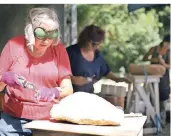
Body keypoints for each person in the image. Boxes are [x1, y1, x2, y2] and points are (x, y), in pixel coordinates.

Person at [0, 8, 73, 136]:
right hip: (13, 120)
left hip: (49, 121)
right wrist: (5, 78)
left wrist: (55, 92)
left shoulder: (59, 50)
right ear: (29, 30)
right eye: (41, 34)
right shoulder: (13, 45)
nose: (46, 40)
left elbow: (68, 89)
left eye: (51, 34)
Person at [66, 24, 131, 93]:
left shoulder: (97, 55)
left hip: (89, 95)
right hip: (70, 96)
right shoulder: (70, 53)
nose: (97, 47)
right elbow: (57, 74)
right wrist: (72, 79)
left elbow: (105, 71)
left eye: (99, 44)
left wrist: (118, 79)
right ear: (87, 40)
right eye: (95, 44)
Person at [143, 35, 170, 125]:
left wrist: (162, 63)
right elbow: (144, 58)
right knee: (151, 97)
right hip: (152, 76)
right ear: (165, 42)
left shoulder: (169, 52)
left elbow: (169, 66)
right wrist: (152, 58)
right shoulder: (154, 49)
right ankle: (150, 120)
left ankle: (161, 122)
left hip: (163, 78)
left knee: (162, 99)